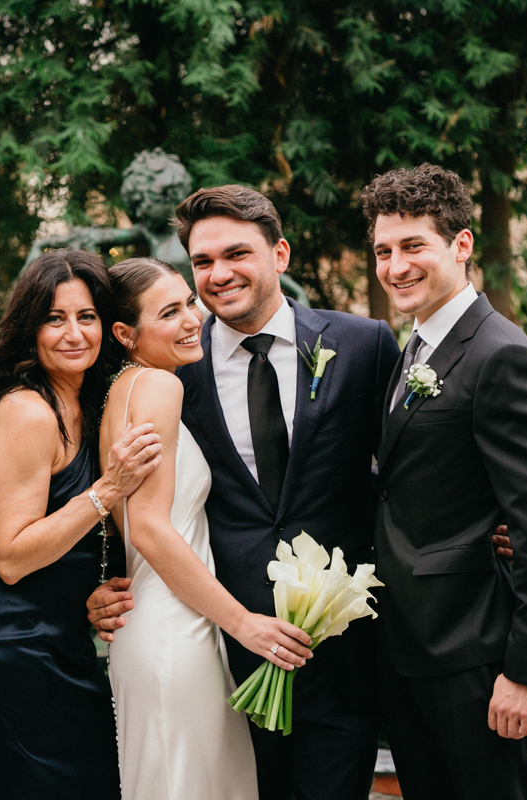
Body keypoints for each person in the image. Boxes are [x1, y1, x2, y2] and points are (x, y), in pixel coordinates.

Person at [92, 187, 400, 800]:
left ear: (279, 254)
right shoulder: (176, 366)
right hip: (221, 653)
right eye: (202, 262)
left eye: (236, 253)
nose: (218, 274)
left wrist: (486, 525)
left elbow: (407, 469)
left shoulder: (364, 346)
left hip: (340, 653)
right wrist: (96, 582)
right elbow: (116, 488)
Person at [365, 164, 527, 799]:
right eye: (383, 250)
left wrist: (525, 673)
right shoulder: (418, 345)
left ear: (461, 245)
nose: (395, 266)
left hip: (473, 655)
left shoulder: (499, 354)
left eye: (413, 246)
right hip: (412, 647)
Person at [0, 250, 162, 799]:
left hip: (61, 642)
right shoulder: (28, 412)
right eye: (54, 318)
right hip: (11, 649)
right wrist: (106, 489)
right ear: (29, 327)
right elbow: (13, 557)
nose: (73, 333)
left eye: (86, 317)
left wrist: (94, 590)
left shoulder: (86, 406)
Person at [100, 257, 312, 800]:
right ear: (125, 333)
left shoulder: (124, 389)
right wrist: (243, 624)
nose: (193, 318)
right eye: (169, 312)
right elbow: (148, 529)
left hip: (163, 618)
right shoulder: (159, 388)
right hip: (175, 627)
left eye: (188, 302)